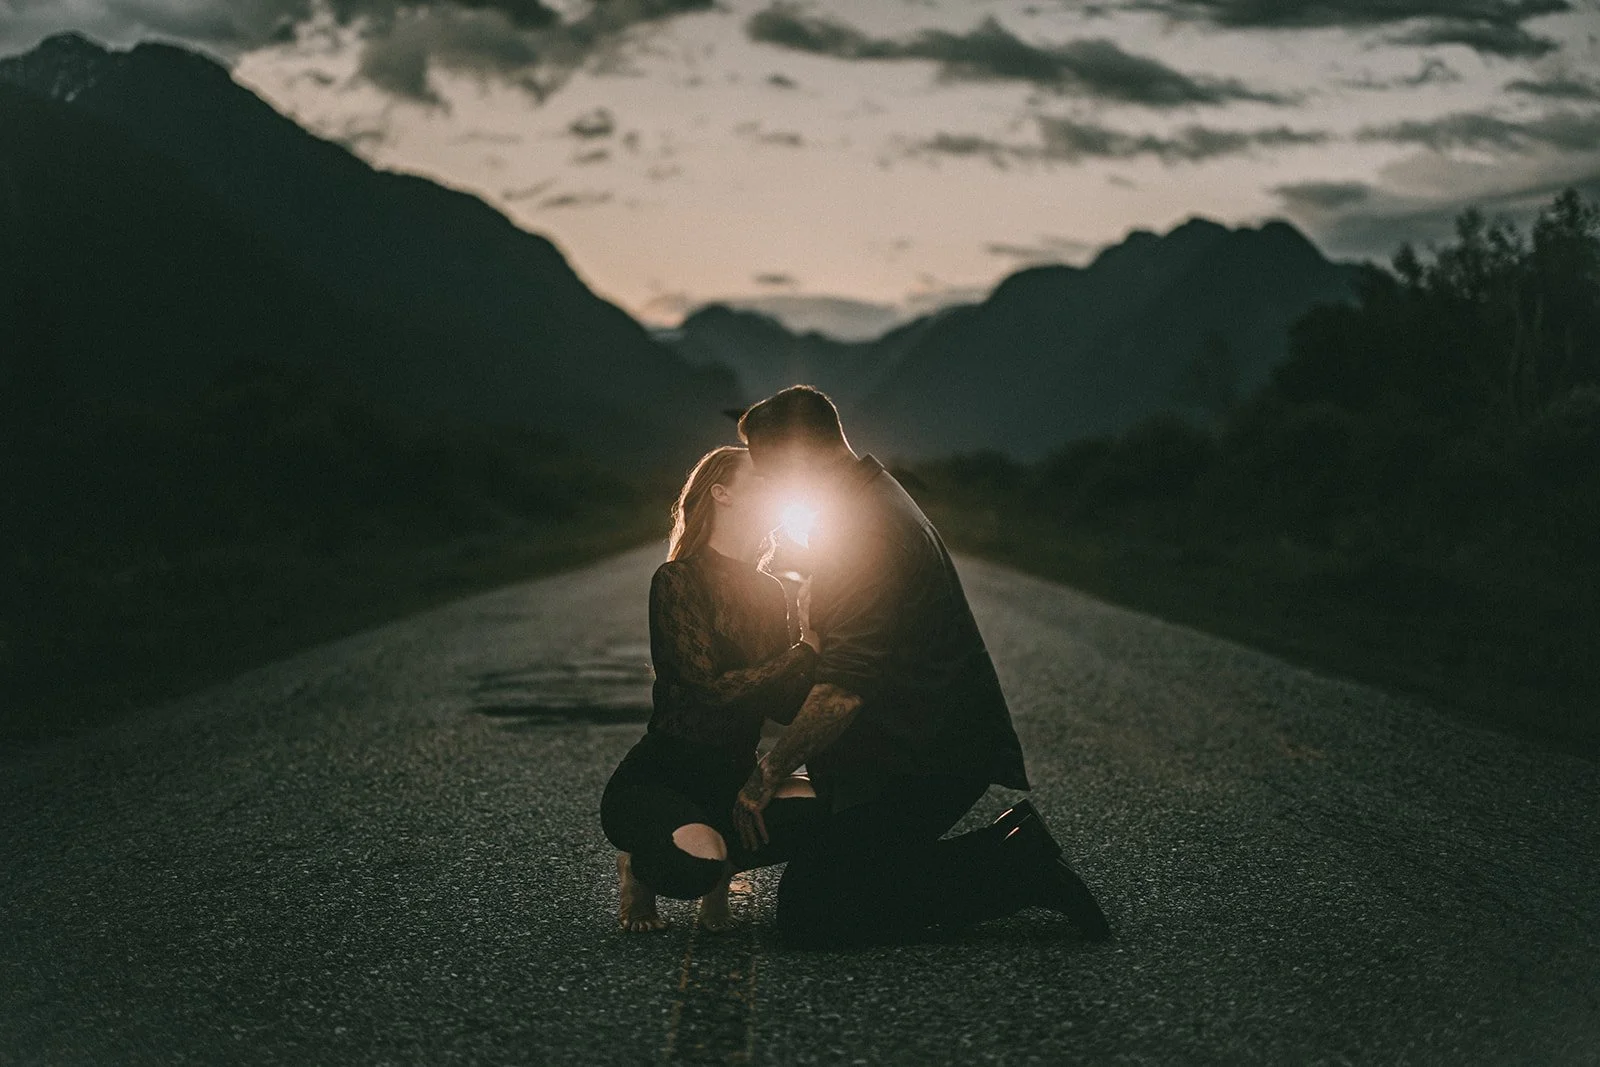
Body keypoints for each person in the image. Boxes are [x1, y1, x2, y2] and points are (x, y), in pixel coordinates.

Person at [728, 385, 1111, 947]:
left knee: (815, 915)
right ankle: (1003, 848)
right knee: (831, 882)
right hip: (915, 748)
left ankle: (1015, 867)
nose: (764, 482)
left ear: (797, 456)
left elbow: (844, 690)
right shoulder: (869, 496)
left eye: (768, 468)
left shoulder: (862, 524)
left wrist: (768, 773)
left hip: (925, 760)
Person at [599, 445, 823, 932]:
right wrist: (803, 652)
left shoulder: (771, 591)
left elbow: (782, 706)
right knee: (694, 866)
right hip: (662, 777)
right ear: (722, 494)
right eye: (761, 480)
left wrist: (827, 653)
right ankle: (641, 868)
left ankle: (720, 853)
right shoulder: (676, 580)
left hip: (732, 776)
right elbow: (708, 690)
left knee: (830, 806)